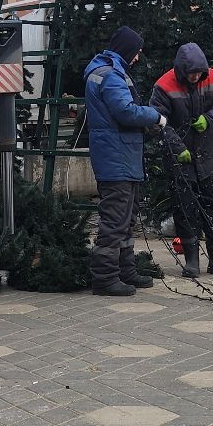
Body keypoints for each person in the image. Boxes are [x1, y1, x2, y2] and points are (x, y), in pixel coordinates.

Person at [84, 26, 167, 297]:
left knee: (126, 218)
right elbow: (125, 112)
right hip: (116, 158)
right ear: (127, 50)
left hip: (122, 156)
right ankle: (106, 278)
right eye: (137, 53)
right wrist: (154, 116)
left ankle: (125, 271)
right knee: (115, 220)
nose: (138, 58)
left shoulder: (110, 72)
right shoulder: (111, 76)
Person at [149, 42, 213, 279]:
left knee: (212, 208)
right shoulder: (164, 86)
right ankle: (191, 261)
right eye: (191, 74)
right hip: (180, 160)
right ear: (181, 71)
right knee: (185, 209)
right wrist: (178, 148)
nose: (196, 77)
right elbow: (158, 122)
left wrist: (209, 119)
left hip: (206, 156)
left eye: (199, 73)